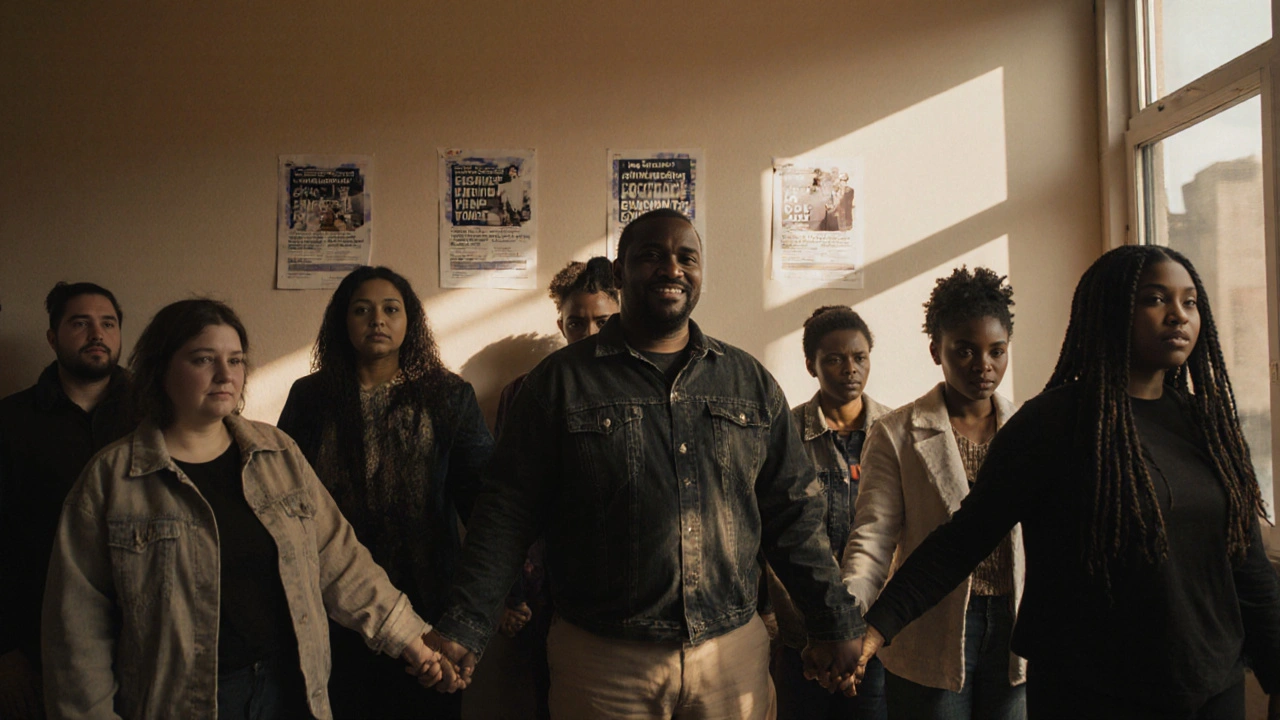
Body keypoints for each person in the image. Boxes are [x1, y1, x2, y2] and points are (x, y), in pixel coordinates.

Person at [425, 208, 864, 718]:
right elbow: (504, 514)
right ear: (619, 274)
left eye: (685, 257)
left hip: (729, 654)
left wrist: (834, 619)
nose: (671, 269)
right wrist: (465, 625)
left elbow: (793, 515)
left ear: (700, 273)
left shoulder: (749, 382)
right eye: (651, 255)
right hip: (603, 664)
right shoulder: (558, 383)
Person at [855, 245, 1280, 719]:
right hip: (1094, 691)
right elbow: (961, 541)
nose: (1179, 316)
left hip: (1212, 686)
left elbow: (1249, 569)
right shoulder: (1052, 425)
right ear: (1110, 310)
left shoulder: (1208, 426)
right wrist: (873, 629)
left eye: (1190, 301)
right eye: (1156, 299)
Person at [41, 298, 448, 720]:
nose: (225, 375)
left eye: (235, 360)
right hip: (187, 703)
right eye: (203, 359)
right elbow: (75, 634)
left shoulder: (277, 454)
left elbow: (342, 561)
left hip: (292, 689)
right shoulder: (112, 479)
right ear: (162, 368)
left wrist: (413, 640)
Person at [277, 265, 493, 719]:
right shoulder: (310, 398)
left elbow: (485, 507)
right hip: (333, 607)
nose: (377, 319)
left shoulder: (449, 396)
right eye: (362, 310)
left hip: (430, 607)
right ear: (343, 322)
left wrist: (481, 612)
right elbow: (286, 502)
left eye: (390, 309)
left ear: (409, 321)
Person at [842, 266, 1025, 719]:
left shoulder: (1027, 428)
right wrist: (849, 618)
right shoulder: (896, 432)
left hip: (1015, 626)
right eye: (964, 350)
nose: (983, 365)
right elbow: (873, 539)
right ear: (935, 351)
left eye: (996, 351)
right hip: (928, 625)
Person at [492, 256, 619, 720]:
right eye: (576, 322)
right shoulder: (528, 391)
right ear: (561, 325)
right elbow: (509, 502)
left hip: (625, 588)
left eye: (603, 321)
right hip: (546, 589)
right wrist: (513, 594)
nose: (589, 333)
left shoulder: (645, 388)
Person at [0, 282, 133, 720]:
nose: (97, 334)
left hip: (144, 638)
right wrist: (5, 651)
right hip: (38, 643)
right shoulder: (11, 422)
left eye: (108, 323)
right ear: (52, 337)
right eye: (81, 323)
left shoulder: (156, 415)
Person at [766, 305, 891, 720]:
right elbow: (777, 539)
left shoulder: (894, 432)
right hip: (803, 640)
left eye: (859, 357)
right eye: (834, 359)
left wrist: (861, 638)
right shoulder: (785, 434)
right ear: (811, 365)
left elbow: (896, 537)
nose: (849, 369)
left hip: (876, 641)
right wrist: (815, 635)